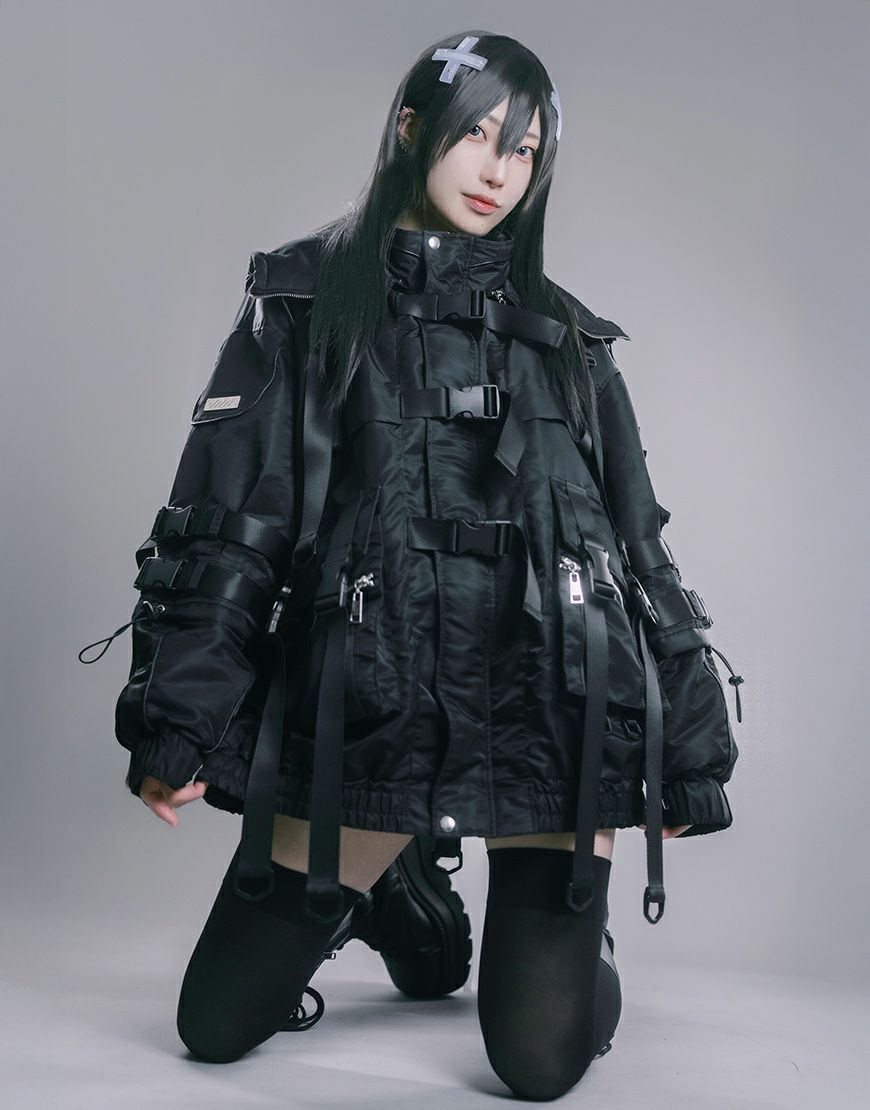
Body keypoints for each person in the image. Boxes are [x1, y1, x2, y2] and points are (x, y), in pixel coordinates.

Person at [84, 29, 743, 1102]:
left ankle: (572, 943)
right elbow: (232, 525)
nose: (498, 172)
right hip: (369, 712)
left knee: (538, 1066)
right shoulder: (305, 306)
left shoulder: (569, 340)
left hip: (548, 714)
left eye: (523, 151)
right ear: (409, 129)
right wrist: (180, 723)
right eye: (478, 136)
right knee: (215, 1026)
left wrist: (694, 748)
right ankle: (390, 882)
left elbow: (636, 547)